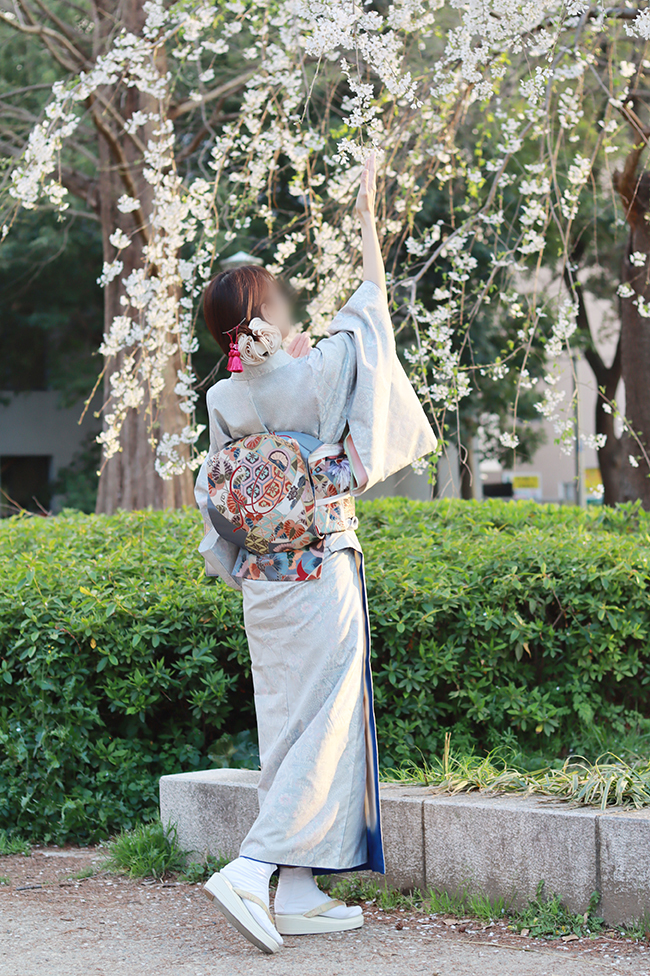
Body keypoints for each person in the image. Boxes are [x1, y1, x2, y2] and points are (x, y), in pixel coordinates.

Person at [194, 153, 437, 955]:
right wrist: (365, 216)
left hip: (264, 582)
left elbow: (217, 491)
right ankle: (253, 867)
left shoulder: (223, 395)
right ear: (265, 309)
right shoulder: (317, 374)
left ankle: (298, 889)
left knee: (288, 725)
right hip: (321, 564)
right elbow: (372, 311)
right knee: (328, 721)